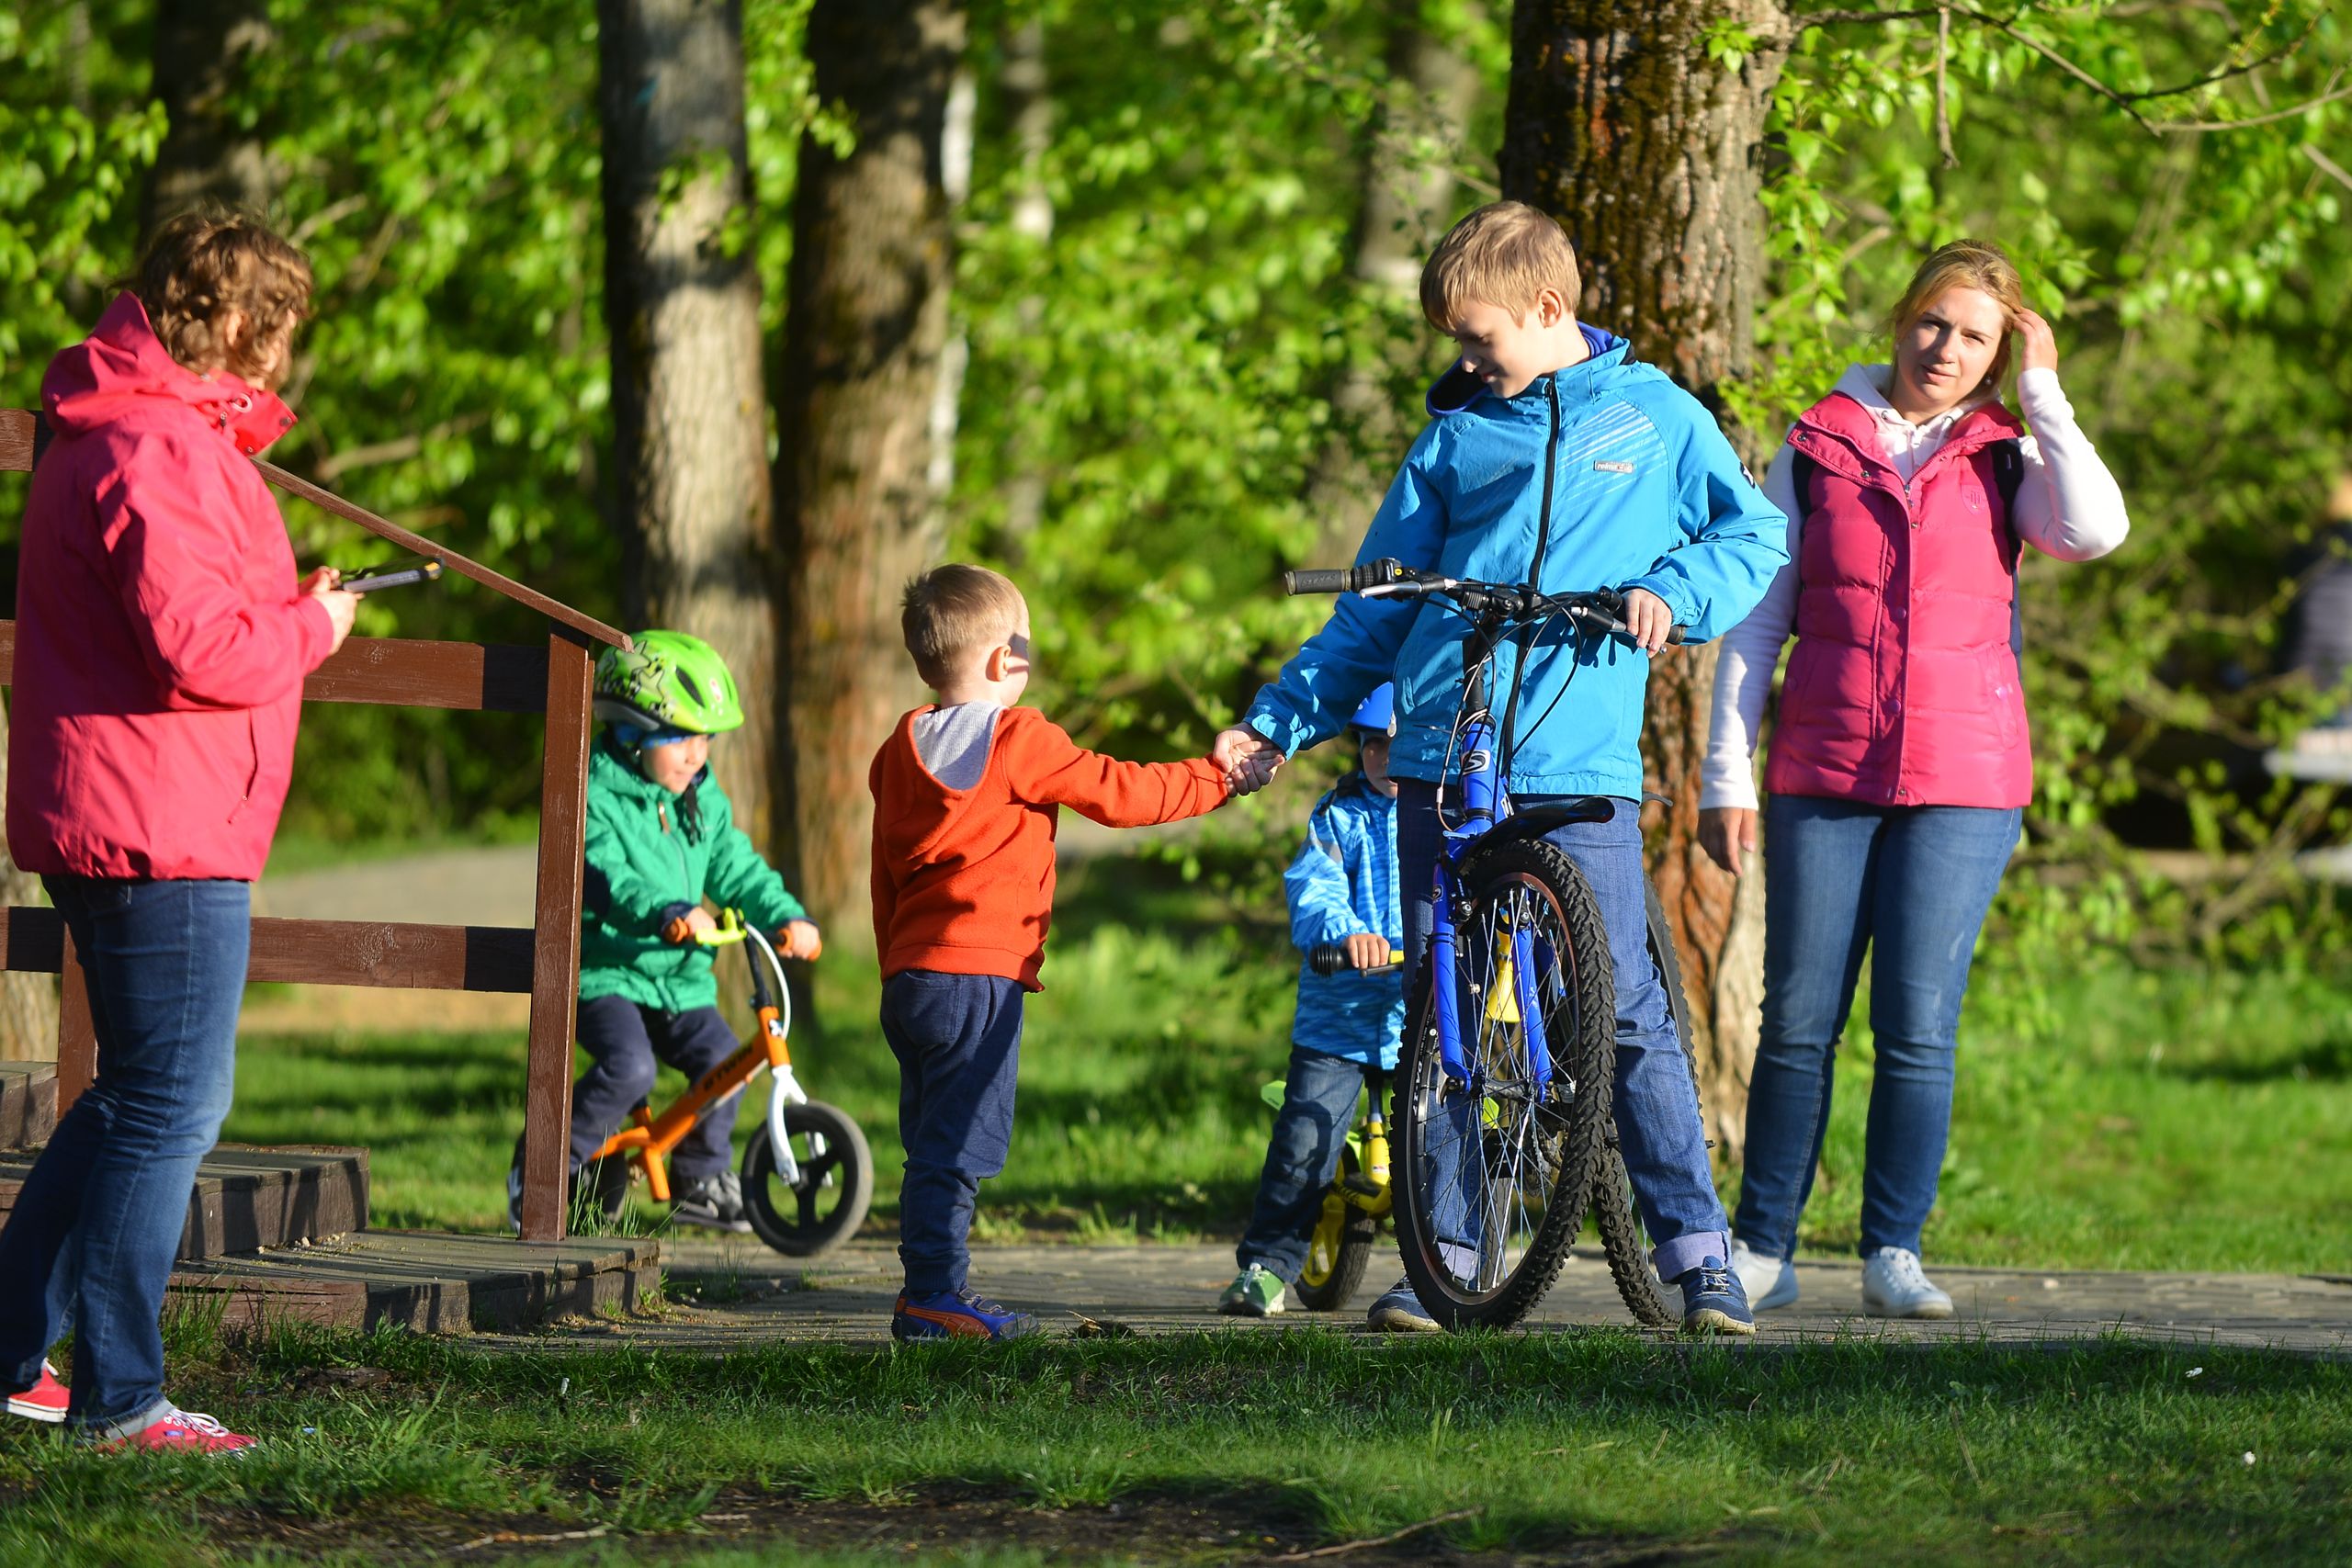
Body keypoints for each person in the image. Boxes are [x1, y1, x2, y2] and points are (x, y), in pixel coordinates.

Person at [1215, 201, 1789, 1336]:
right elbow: (1375, 611)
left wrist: (1671, 595)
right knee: (1442, 1014)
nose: (1468, 361)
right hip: (1440, 750)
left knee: (1619, 1011)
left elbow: (1750, 538)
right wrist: (1278, 724)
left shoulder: (1654, 417)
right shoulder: (1456, 438)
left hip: (1576, 757)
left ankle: (1698, 1258)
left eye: (1480, 339)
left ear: (1547, 309)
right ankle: (1450, 1251)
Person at [1697, 241, 2130, 1319]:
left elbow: (2094, 529)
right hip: (1821, 772)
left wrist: (2044, 394)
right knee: (1798, 1019)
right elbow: (1756, 622)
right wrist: (1726, 776)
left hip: (1967, 782)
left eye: (1975, 336)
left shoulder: (2007, 456)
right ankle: (1762, 1247)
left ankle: (1893, 1249)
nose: (1946, 348)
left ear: (1996, 355)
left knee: (1918, 1026)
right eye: (1934, 323)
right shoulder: (1812, 446)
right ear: (1900, 319)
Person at [0, 212, 359, 1450]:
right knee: (168, 1108)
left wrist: (292, 603)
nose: (290, 355)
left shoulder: (125, 428)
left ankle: (7, 1348)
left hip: (130, 804)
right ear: (250, 323)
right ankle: (119, 1396)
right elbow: (199, 646)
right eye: (287, 326)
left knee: (126, 1098)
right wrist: (315, 627)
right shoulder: (153, 444)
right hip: (160, 821)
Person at [871, 564, 1235, 1340]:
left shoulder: (896, 751)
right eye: (1028, 643)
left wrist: (891, 964)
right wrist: (1216, 780)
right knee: (958, 1143)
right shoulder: (1020, 737)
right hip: (980, 975)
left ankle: (925, 1291)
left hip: (912, 975)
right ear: (1006, 659)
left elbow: (883, 874)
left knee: (930, 1139)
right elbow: (1120, 791)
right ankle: (937, 1295)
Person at [506, 631, 821, 1234]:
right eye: (681, 737)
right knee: (630, 1068)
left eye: (705, 737)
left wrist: (784, 915)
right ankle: (545, 1168)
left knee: (728, 1059)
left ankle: (699, 1176)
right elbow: (606, 875)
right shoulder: (593, 793)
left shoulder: (698, 796)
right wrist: (666, 910)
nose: (697, 753)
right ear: (630, 730)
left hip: (679, 980)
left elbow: (736, 864)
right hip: (610, 972)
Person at [1218, 684, 1403, 1317]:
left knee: (1453, 1138)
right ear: (1361, 748)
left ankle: (1450, 1266)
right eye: (1376, 746)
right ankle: (1267, 1267)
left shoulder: (1448, 816)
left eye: (1402, 747)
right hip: (1340, 1016)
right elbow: (1313, 886)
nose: (1387, 761)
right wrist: (1345, 932)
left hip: (1423, 1018)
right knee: (1305, 1143)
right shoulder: (1338, 817)